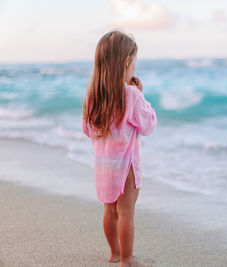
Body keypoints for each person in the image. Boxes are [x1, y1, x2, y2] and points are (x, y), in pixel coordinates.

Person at [81, 30, 157, 267]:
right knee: (126, 213)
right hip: (127, 167)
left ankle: (114, 253)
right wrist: (142, 97)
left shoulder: (93, 96)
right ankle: (127, 260)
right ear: (127, 63)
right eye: (135, 60)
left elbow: (87, 129)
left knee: (109, 212)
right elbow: (148, 124)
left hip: (104, 166)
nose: (135, 65)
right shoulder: (132, 95)